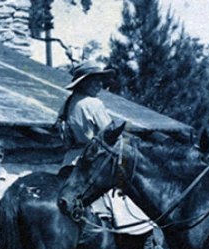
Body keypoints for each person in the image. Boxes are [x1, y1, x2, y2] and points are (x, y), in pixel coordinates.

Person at [58, 60, 155, 237]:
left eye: (101, 80)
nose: (100, 84)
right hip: (92, 161)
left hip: (68, 161)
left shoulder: (68, 103)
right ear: (83, 82)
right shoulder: (93, 104)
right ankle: (145, 246)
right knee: (132, 205)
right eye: (95, 80)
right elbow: (111, 136)